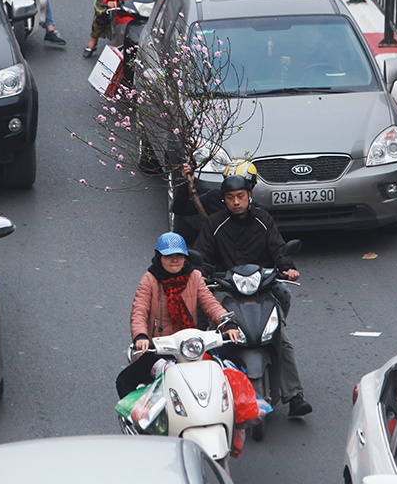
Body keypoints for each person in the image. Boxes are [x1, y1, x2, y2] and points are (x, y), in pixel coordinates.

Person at [192, 175, 312, 417]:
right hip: (226, 286)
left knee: (282, 330)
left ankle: (294, 396)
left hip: (263, 286)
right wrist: (200, 272)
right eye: (230, 198)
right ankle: (201, 385)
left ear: (249, 196)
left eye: (240, 197)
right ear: (224, 200)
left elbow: (279, 249)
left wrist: (287, 267)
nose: (236, 202)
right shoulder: (214, 223)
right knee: (206, 328)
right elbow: (203, 254)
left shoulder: (263, 219)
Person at [116, 232, 240, 398]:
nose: (174, 260)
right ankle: (140, 419)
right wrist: (140, 336)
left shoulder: (194, 277)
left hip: (191, 345)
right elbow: (139, 310)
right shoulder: (150, 279)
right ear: (159, 258)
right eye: (169, 256)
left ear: (185, 258)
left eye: (179, 256)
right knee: (124, 381)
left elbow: (210, 303)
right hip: (160, 347)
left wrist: (227, 323)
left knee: (225, 373)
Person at [171, 159, 261, 219]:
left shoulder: (260, 212)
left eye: (240, 195)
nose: (236, 202)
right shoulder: (213, 197)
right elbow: (180, 209)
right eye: (229, 196)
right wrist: (188, 183)